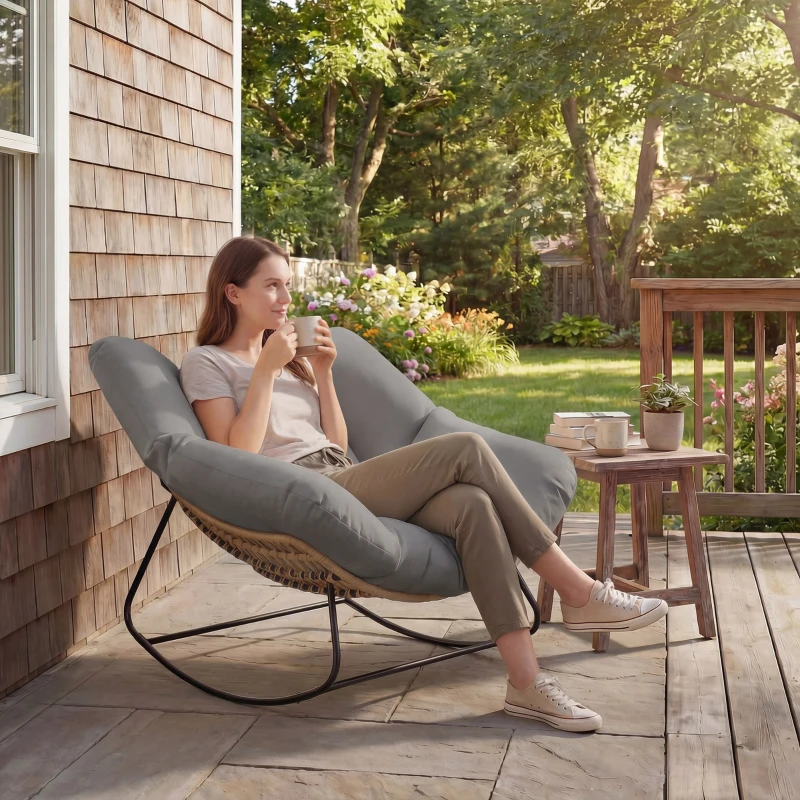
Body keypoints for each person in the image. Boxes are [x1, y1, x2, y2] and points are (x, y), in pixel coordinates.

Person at [179, 236, 668, 734]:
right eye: (271, 286)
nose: (285, 299)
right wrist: (263, 369)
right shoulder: (208, 363)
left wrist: (323, 374)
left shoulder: (293, 358)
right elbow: (235, 456)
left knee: (472, 504)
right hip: (301, 492)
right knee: (464, 448)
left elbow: (336, 442)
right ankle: (579, 591)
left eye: (287, 285)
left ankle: (525, 682)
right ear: (233, 293)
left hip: (338, 475)